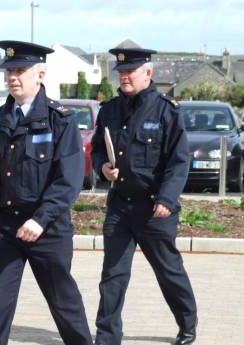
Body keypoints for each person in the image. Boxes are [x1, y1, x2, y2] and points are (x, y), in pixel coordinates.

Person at [0, 40, 93, 345]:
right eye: (9, 70)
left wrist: (41, 219)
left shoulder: (61, 121)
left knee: (64, 303)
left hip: (48, 229)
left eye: (20, 70)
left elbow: (68, 179)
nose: (13, 77)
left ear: (40, 74)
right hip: (6, 227)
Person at [91, 45, 198, 345]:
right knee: (113, 276)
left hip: (154, 209)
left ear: (148, 73)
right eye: (121, 72)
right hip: (120, 207)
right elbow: (99, 148)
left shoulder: (166, 111)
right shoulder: (109, 110)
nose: (123, 77)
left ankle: (187, 323)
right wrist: (103, 169)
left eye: (130, 72)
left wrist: (166, 199)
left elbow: (179, 161)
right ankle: (107, 336)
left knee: (168, 271)